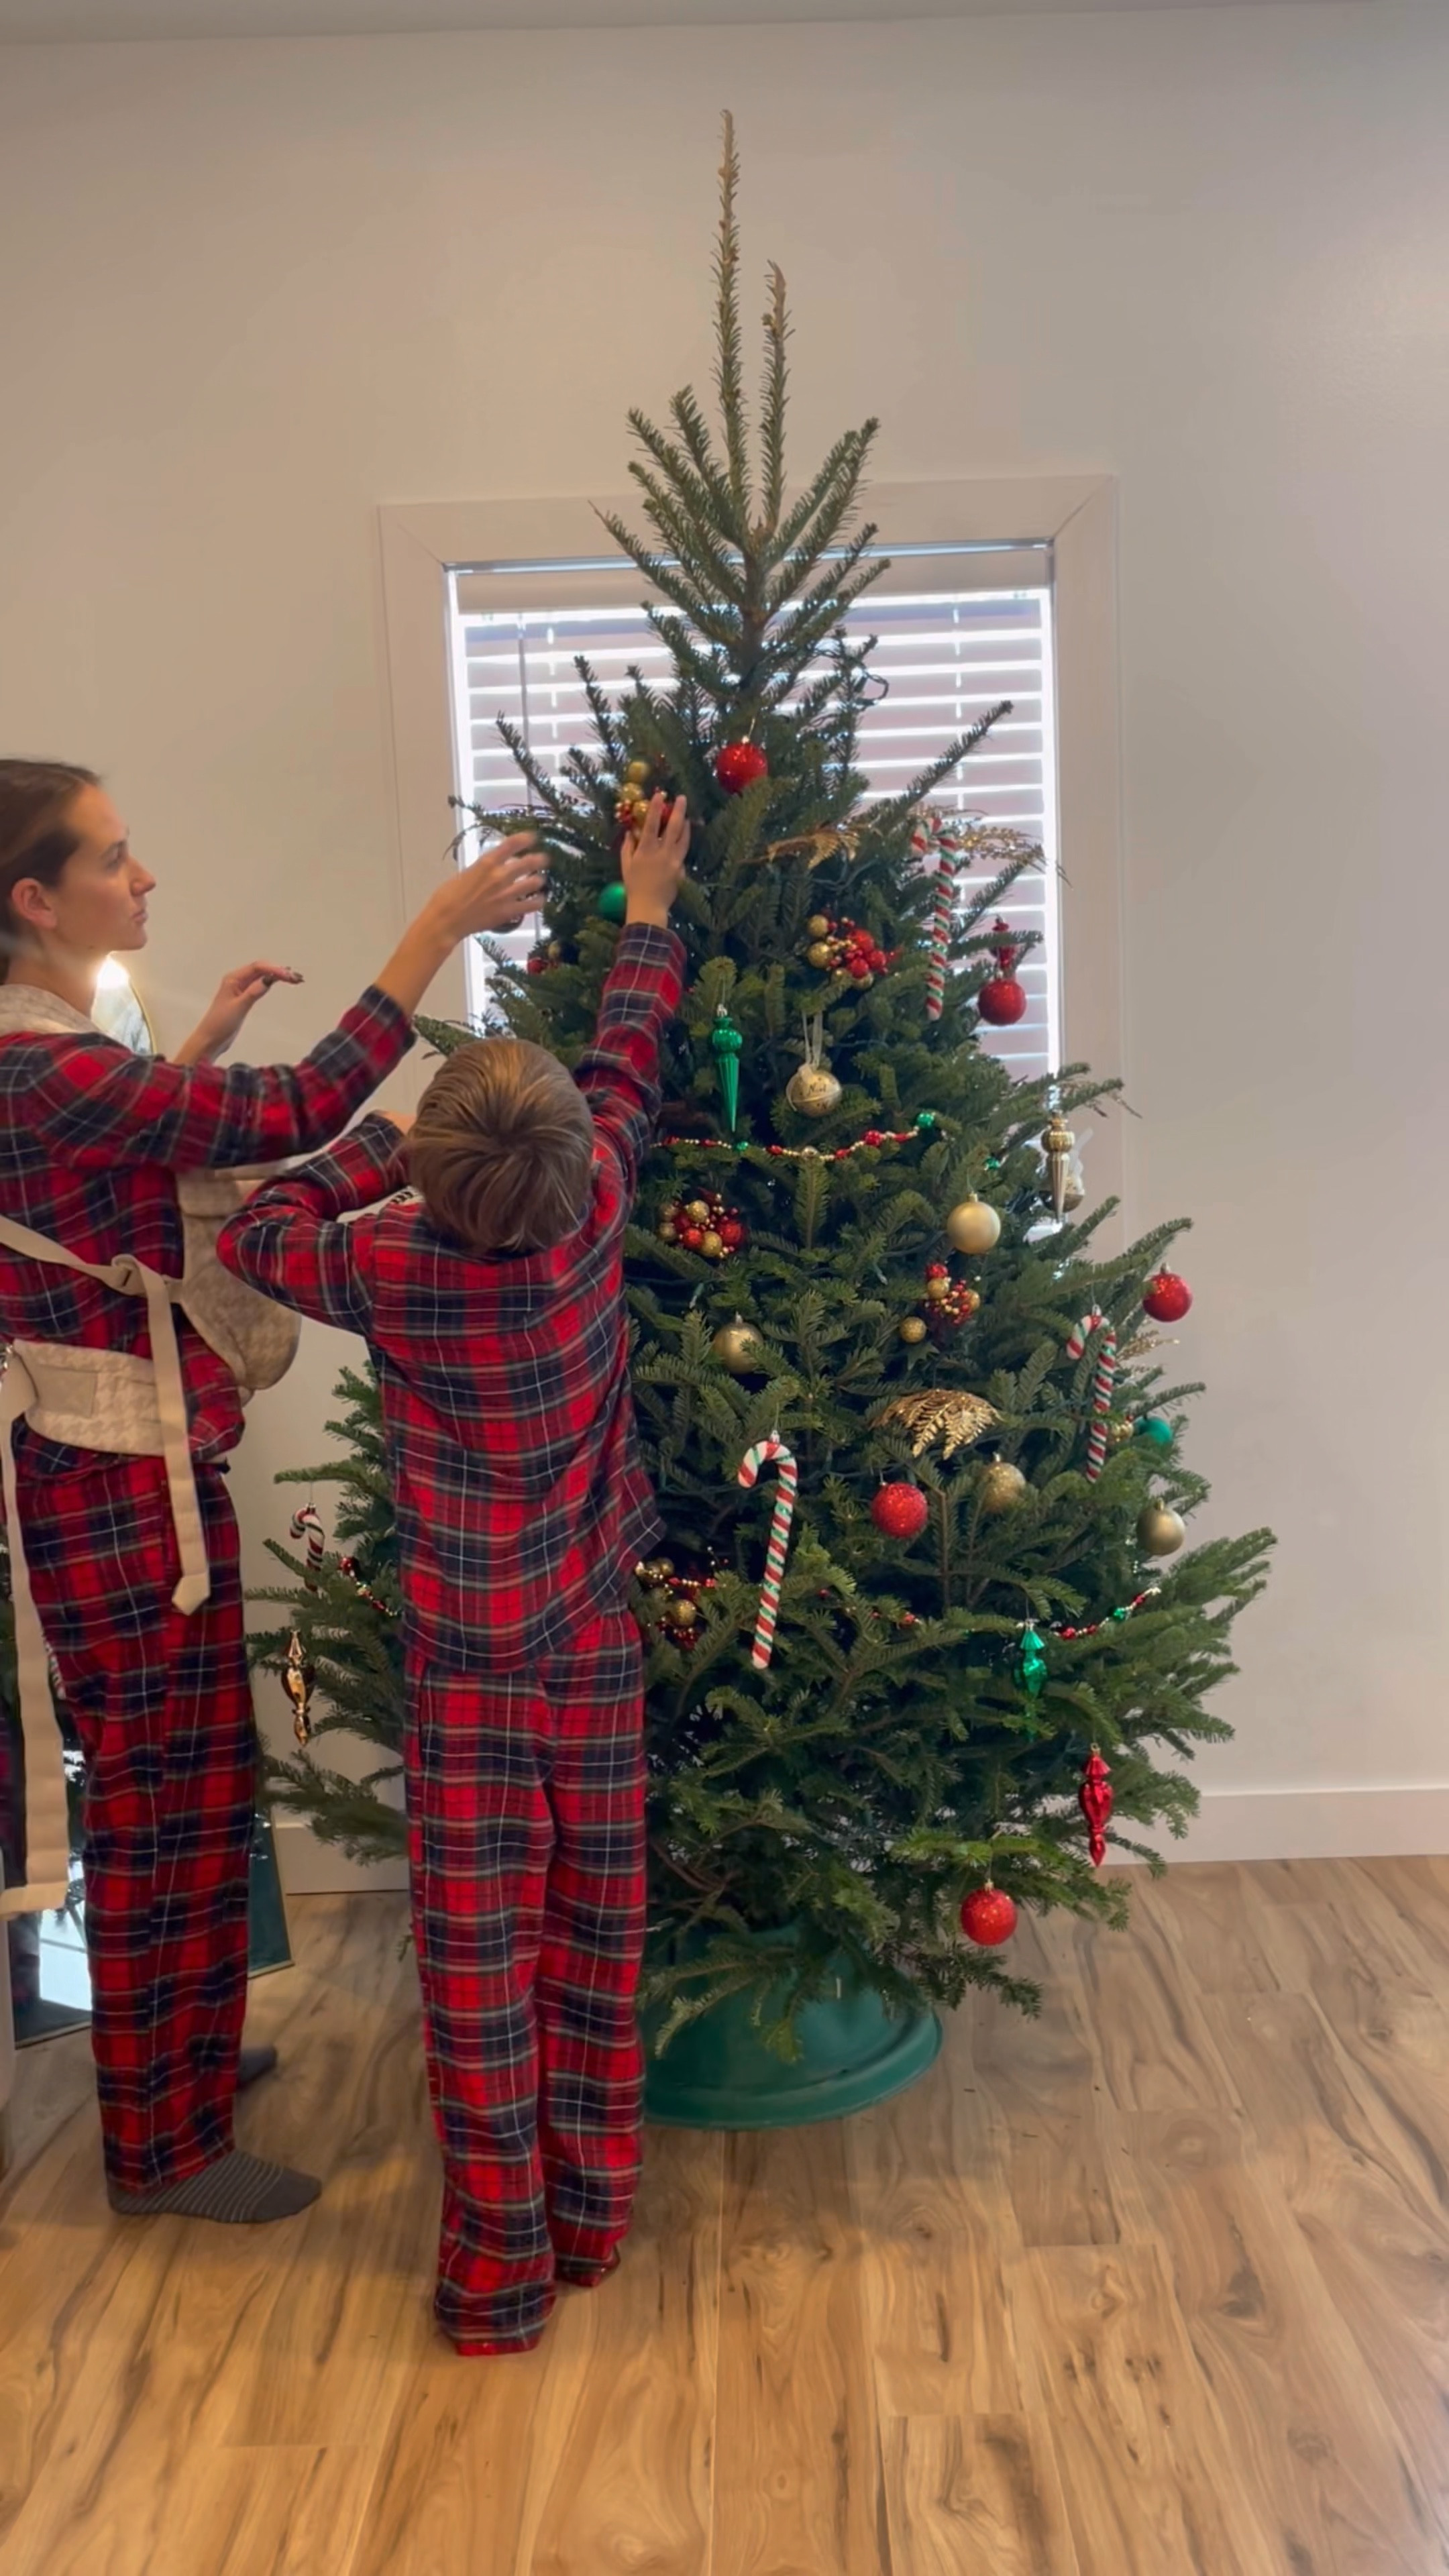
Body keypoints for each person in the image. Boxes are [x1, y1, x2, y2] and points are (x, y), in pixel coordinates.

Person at [0, 757, 545, 2225]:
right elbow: (291, 1110)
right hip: (119, 1491)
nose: (146, 876)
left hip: (135, 1468)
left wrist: (201, 1068)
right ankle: (160, 2152)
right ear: (33, 899)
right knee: (158, 1803)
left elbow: (132, 1161)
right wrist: (432, 942)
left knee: (187, 1784)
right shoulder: (32, 1063)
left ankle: (170, 2071)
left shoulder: (61, 1050)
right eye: (116, 857)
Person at [216, 793, 689, 2353]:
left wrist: (367, 1155)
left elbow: (261, 1230)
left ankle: (501, 2274)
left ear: (433, 1169)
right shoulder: (596, 1212)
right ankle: (597, 2210)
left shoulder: (388, 1260)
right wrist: (644, 911)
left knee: (479, 1972)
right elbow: (624, 1075)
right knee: (599, 1936)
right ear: (564, 1170)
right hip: (593, 1653)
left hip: (466, 1673)